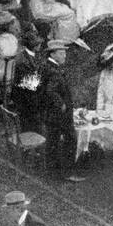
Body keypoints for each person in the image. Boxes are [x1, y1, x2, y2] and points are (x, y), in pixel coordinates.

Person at [42, 40, 84, 182]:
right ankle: (68, 172)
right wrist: (62, 104)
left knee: (53, 140)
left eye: (65, 52)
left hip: (50, 113)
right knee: (70, 140)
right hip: (59, 114)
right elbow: (50, 90)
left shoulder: (46, 66)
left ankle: (52, 171)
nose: (65, 55)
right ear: (52, 54)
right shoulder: (54, 71)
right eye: (61, 53)